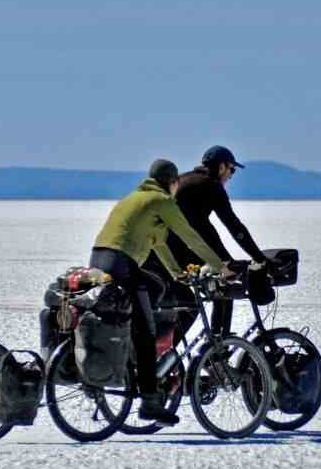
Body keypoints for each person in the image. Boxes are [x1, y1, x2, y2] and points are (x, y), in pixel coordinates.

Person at [90, 159, 229, 426]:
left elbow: (160, 244)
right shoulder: (162, 201)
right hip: (122, 263)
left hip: (99, 260)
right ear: (172, 182)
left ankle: (132, 362)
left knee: (155, 288)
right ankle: (150, 403)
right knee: (146, 329)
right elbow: (190, 236)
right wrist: (219, 267)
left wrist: (177, 273)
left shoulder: (135, 198)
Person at [155, 145, 269, 337]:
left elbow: (205, 230)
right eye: (231, 169)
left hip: (154, 251)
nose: (231, 176)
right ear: (222, 167)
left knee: (194, 298)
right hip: (170, 254)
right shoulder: (209, 185)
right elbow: (233, 226)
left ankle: (171, 357)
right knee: (220, 287)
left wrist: (225, 259)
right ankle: (216, 345)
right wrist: (259, 258)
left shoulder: (185, 180)